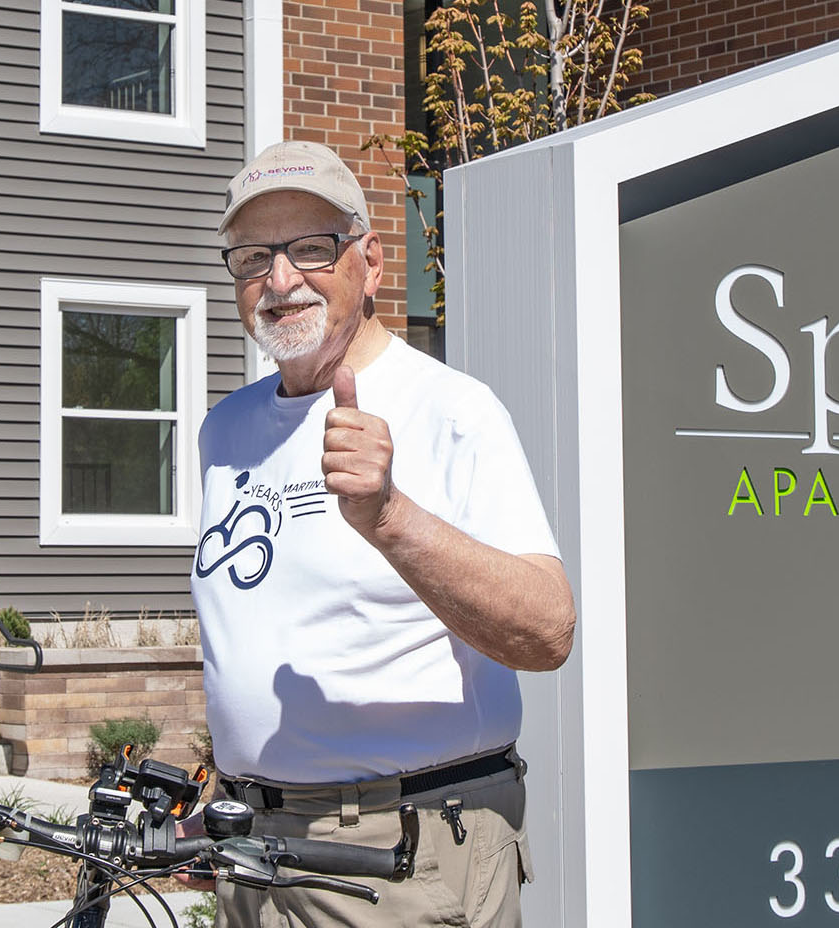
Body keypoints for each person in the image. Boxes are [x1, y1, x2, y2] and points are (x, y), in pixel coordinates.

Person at [187, 139, 576, 928]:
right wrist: (226, 792)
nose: (280, 280)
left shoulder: (451, 409)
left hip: (401, 853)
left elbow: (548, 630)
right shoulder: (224, 431)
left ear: (370, 262)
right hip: (253, 854)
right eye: (253, 257)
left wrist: (391, 516)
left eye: (310, 248)